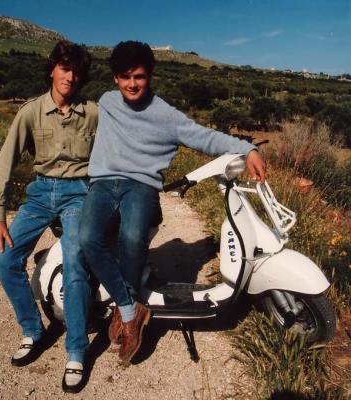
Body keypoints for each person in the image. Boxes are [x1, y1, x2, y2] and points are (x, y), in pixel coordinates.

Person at [79, 40, 266, 366]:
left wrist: (245, 148)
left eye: (138, 76)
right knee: (88, 239)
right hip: (104, 184)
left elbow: (203, 136)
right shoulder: (106, 101)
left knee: (132, 238)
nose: (132, 84)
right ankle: (129, 308)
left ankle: (126, 311)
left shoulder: (165, 114)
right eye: (125, 77)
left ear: (149, 76)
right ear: (114, 79)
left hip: (141, 186)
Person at [0, 40, 98, 393]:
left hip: (79, 194)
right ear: (52, 68)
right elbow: (5, 162)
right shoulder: (30, 111)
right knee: (6, 259)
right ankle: (32, 331)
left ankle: (76, 350)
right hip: (40, 194)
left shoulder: (93, 112)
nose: (70, 76)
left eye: (75, 70)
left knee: (75, 260)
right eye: (64, 68)